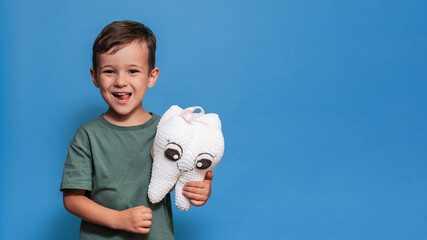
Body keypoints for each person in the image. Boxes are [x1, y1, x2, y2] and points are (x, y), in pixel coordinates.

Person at [60, 20, 214, 240]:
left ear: (151, 76)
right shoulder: (87, 136)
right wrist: (118, 220)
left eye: (133, 71)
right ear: (95, 77)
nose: (121, 81)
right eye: (109, 71)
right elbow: (72, 199)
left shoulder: (168, 130)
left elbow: (180, 180)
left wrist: (199, 190)